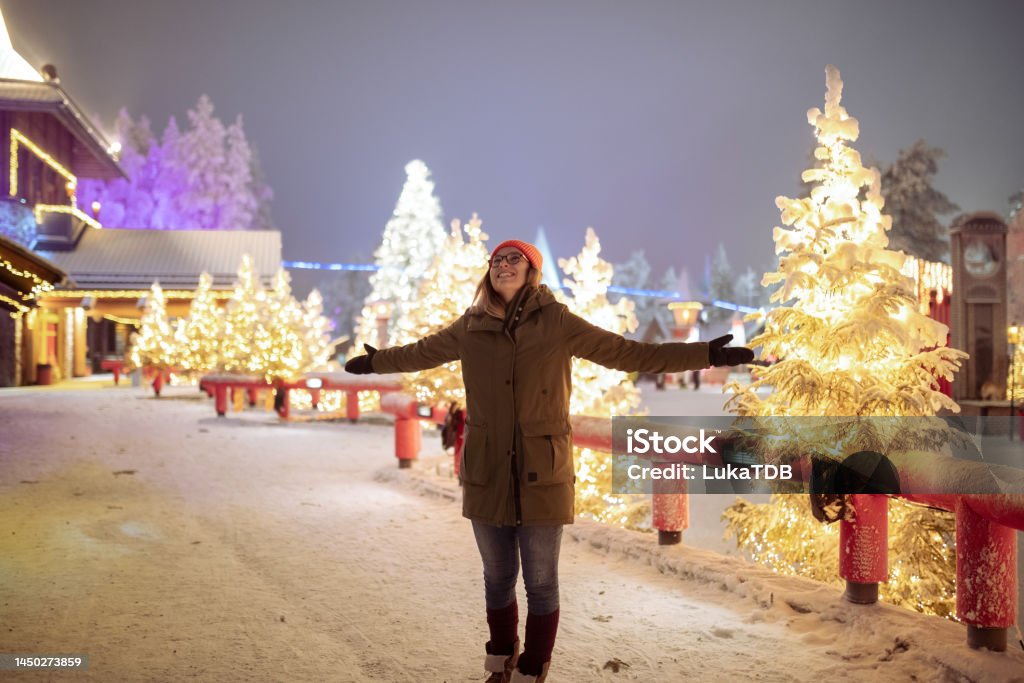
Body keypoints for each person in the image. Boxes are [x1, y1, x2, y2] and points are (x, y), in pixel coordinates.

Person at [345, 239, 753, 682]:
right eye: (497, 260)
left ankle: (532, 669)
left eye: (513, 259)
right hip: (488, 472)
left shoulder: (555, 321)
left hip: (543, 471)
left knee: (540, 584)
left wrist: (705, 355)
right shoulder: (471, 325)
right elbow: (420, 352)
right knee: (496, 578)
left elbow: (631, 353)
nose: (503, 265)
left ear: (531, 270)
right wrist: (375, 362)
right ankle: (500, 662)